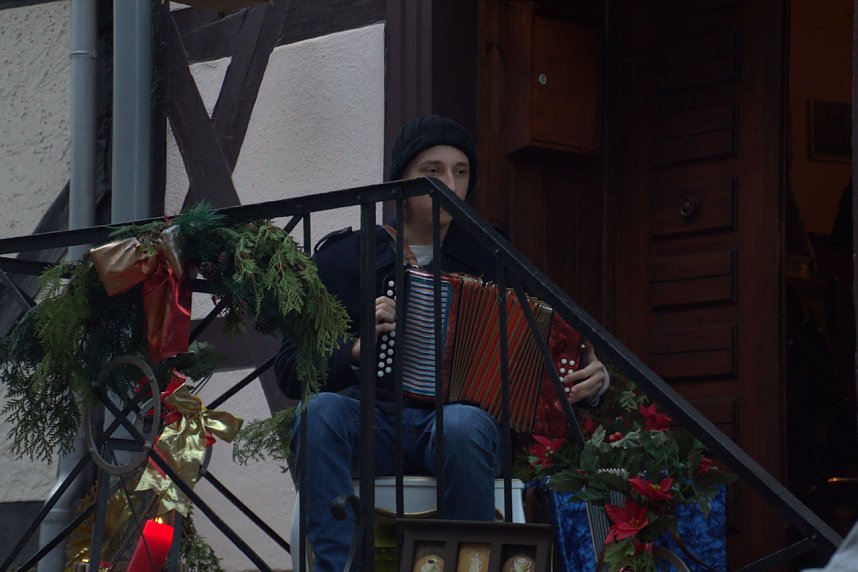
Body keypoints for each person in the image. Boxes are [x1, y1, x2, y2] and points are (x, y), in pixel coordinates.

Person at [275, 115, 608, 571]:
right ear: (400, 182)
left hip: (453, 423)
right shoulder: (348, 258)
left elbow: (549, 356)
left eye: (461, 171)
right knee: (319, 413)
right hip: (371, 419)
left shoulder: (495, 260)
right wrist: (354, 350)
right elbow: (291, 369)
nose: (449, 184)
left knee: (464, 424)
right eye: (432, 172)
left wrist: (594, 379)